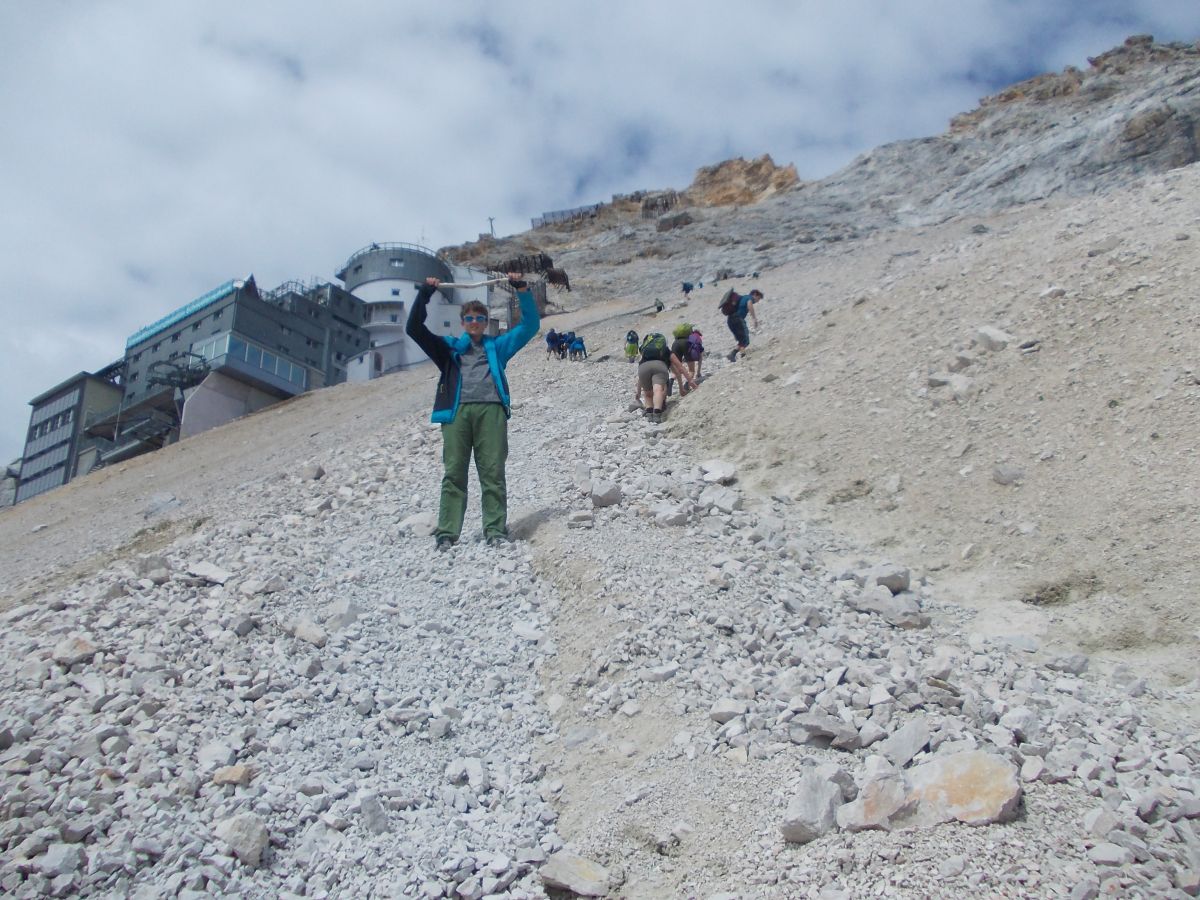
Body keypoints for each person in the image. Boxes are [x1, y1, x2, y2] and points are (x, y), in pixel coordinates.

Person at [405, 272, 539, 549]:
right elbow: (414, 329)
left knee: (492, 471)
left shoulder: (497, 346)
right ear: (462, 322)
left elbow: (530, 326)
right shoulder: (448, 348)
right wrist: (426, 294)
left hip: (492, 412)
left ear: (485, 322)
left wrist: (522, 290)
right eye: (470, 318)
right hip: (457, 414)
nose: (475, 322)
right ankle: (447, 533)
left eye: (480, 318)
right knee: (454, 472)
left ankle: (495, 531)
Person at [635, 332, 697, 424]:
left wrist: (638, 392)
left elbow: (639, 378)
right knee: (658, 390)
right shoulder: (666, 351)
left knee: (648, 394)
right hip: (660, 367)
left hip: (643, 368)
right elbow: (680, 368)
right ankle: (657, 413)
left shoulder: (644, 353)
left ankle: (649, 413)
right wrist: (690, 381)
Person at [725, 289, 762, 361]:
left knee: (742, 339)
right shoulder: (749, 298)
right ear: (754, 294)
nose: (758, 301)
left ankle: (734, 354)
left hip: (730, 320)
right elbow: (749, 303)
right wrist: (754, 318)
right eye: (758, 298)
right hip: (738, 319)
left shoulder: (742, 298)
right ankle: (742, 356)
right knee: (745, 339)